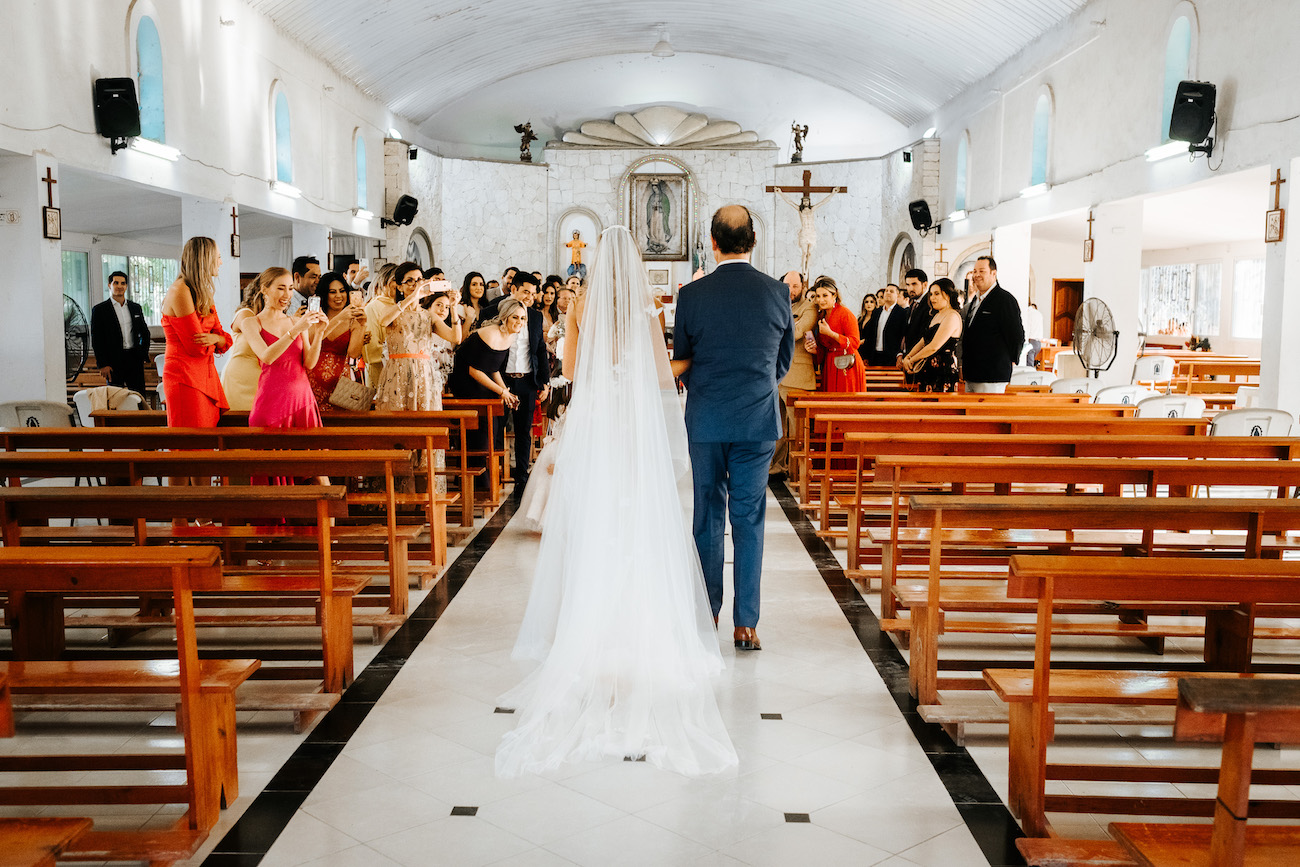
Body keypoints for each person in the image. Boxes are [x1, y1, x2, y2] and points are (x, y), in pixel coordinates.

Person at [497, 226, 736, 777]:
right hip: (635, 431)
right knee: (640, 522)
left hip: (598, 426)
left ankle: (592, 634)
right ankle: (643, 632)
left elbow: (575, 370)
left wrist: (606, 373)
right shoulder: (646, 310)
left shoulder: (581, 306)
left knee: (598, 523)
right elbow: (659, 375)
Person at [674, 205, 793, 652]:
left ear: (713, 242)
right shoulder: (777, 292)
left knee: (707, 517)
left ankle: (709, 614)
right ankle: (747, 624)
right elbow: (780, 363)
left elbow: (683, 360)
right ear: (754, 241)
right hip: (757, 418)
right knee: (750, 518)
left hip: (706, 418)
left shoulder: (693, 295)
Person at [480, 272, 550, 486]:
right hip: (501, 380)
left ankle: (521, 475)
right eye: (525, 291)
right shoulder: (491, 311)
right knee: (496, 430)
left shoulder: (536, 317)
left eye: (533, 293)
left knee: (523, 431)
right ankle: (495, 475)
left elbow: (539, 350)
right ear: (513, 290)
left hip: (527, 380)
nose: (530, 297)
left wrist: (544, 381)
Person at [449, 298, 526, 479]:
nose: (519, 322)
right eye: (515, 317)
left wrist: (505, 390)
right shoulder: (491, 334)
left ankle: (486, 480)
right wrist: (501, 391)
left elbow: (493, 368)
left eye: (523, 319)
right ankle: (474, 481)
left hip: (482, 380)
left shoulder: (511, 336)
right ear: (505, 317)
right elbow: (474, 370)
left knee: (494, 427)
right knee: (480, 430)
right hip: (466, 382)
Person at [160, 236, 230, 428]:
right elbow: (195, 347)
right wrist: (216, 340)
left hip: (204, 374)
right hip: (184, 377)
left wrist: (215, 338)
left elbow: (224, 338)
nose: (221, 262)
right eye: (218, 257)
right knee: (191, 441)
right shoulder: (179, 290)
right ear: (204, 259)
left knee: (207, 439)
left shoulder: (202, 292)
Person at [374, 263, 460, 414]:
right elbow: (383, 321)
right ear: (399, 287)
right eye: (410, 281)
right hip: (397, 372)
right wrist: (413, 296)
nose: (415, 284)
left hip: (423, 373)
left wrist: (453, 308)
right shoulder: (392, 310)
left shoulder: (428, 315)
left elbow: (455, 337)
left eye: (419, 279)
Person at [771, 269, 817, 478]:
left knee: (797, 428)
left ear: (802, 286)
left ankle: (797, 472)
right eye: (787, 286)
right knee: (777, 426)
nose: (791, 290)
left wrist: (773, 332)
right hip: (775, 374)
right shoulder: (775, 304)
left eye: (795, 286)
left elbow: (797, 332)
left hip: (797, 374)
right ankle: (777, 466)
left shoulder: (809, 307)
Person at [961, 256, 1024, 393]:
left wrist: (1009, 361)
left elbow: (1016, 336)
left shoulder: (1004, 300)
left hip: (992, 375)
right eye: (975, 271)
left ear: (993, 273)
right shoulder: (975, 301)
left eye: (982, 271)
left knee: (985, 414)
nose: (976, 275)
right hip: (971, 373)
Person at [306, 271, 366, 411]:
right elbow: (310, 342)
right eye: (332, 292)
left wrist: (362, 326)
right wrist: (340, 318)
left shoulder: (354, 320)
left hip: (342, 382)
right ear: (324, 295)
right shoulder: (314, 316)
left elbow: (353, 353)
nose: (338, 296)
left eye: (342, 291)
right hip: (312, 380)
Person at [91, 270, 151, 396]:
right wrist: (102, 364)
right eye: (116, 283)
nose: (119, 286)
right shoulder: (100, 310)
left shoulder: (135, 307)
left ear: (126, 286)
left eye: (123, 283)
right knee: (115, 398)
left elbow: (145, 333)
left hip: (134, 359)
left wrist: (142, 354)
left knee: (139, 396)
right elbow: (97, 339)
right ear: (109, 285)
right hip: (113, 362)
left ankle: (140, 416)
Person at [900, 278, 962, 393]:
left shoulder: (952, 316)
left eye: (937, 294)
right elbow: (923, 341)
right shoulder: (936, 315)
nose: (932, 298)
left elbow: (934, 346)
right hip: (928, 369)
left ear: (947, 295)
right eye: (931, 294)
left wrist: (912, 360)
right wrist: (908, 357)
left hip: (943, 371)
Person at [221, 273, 270, 411]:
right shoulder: (245, 314)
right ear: (263, 291)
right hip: (239, 379)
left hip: (262, 380)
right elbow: (261, 338)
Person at [810, 276, 866, 392]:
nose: (821, 300)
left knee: (845, 403)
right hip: (830, 364)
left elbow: (855, 343)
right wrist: (814, 351)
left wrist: (831, 334)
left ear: (834, 295)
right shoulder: (821, 316)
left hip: (847, 364)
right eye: (818, 296)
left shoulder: (845, 313)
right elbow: (825, 349)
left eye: (825, 295)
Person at [362, 263, 398, 388]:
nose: (398, 284)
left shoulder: (401, 306)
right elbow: (371, 348)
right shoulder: (373, 307)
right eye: (394, 280)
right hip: (381, 370)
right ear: (384, 280)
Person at [899, 268, 933, 387]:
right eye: (908, 284)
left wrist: (911, 358)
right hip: (909, 360)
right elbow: (906, 332)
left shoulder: (930, 304)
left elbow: (924, 335)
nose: (910, 288)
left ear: (924, 284)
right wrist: (901, 354)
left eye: (914, 284)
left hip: (920, 362)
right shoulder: (913, 304)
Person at [863, 283, 907, 366]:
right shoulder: (876, 312)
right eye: (886, 291)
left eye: (891, 291)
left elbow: (903, 335)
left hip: (892, 356)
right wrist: (866, 356)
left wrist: (900, 354)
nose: (888, 293)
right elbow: (870, 335)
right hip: (874, 355)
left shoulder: (902, 313)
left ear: (897, 295)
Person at [1023, 301, 1044, 367]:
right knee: (1031, 364)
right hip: (1038, 342)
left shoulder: (1028, 314)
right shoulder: (1039, 314)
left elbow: (1027, 328)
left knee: (1029, 366)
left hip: (1030, 340)